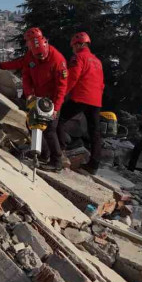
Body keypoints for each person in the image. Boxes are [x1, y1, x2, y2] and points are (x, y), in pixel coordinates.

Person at [19, 28, 68, 171]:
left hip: (52, 99)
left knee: (50, 128)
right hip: (37, 96)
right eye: (37, 57)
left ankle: (57, 161)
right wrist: (29, 94)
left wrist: (56, 108)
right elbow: (26, 75)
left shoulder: (58, 60)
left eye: (42, 57)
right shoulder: (30, 56)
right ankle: (43, 153)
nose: (40, 59)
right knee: (31, 123)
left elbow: (61, 87)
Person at [57, 32, 105, 175]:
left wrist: (62, 94)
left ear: (79, 44)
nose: (72, 49)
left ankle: (60, 152)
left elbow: (72, 78)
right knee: (95, 132)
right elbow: (102, 84)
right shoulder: (97, 61)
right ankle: (94, 164)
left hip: (82, 97)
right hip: (96, 100)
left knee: (59, 119)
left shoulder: (78, 58)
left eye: (73, 46)